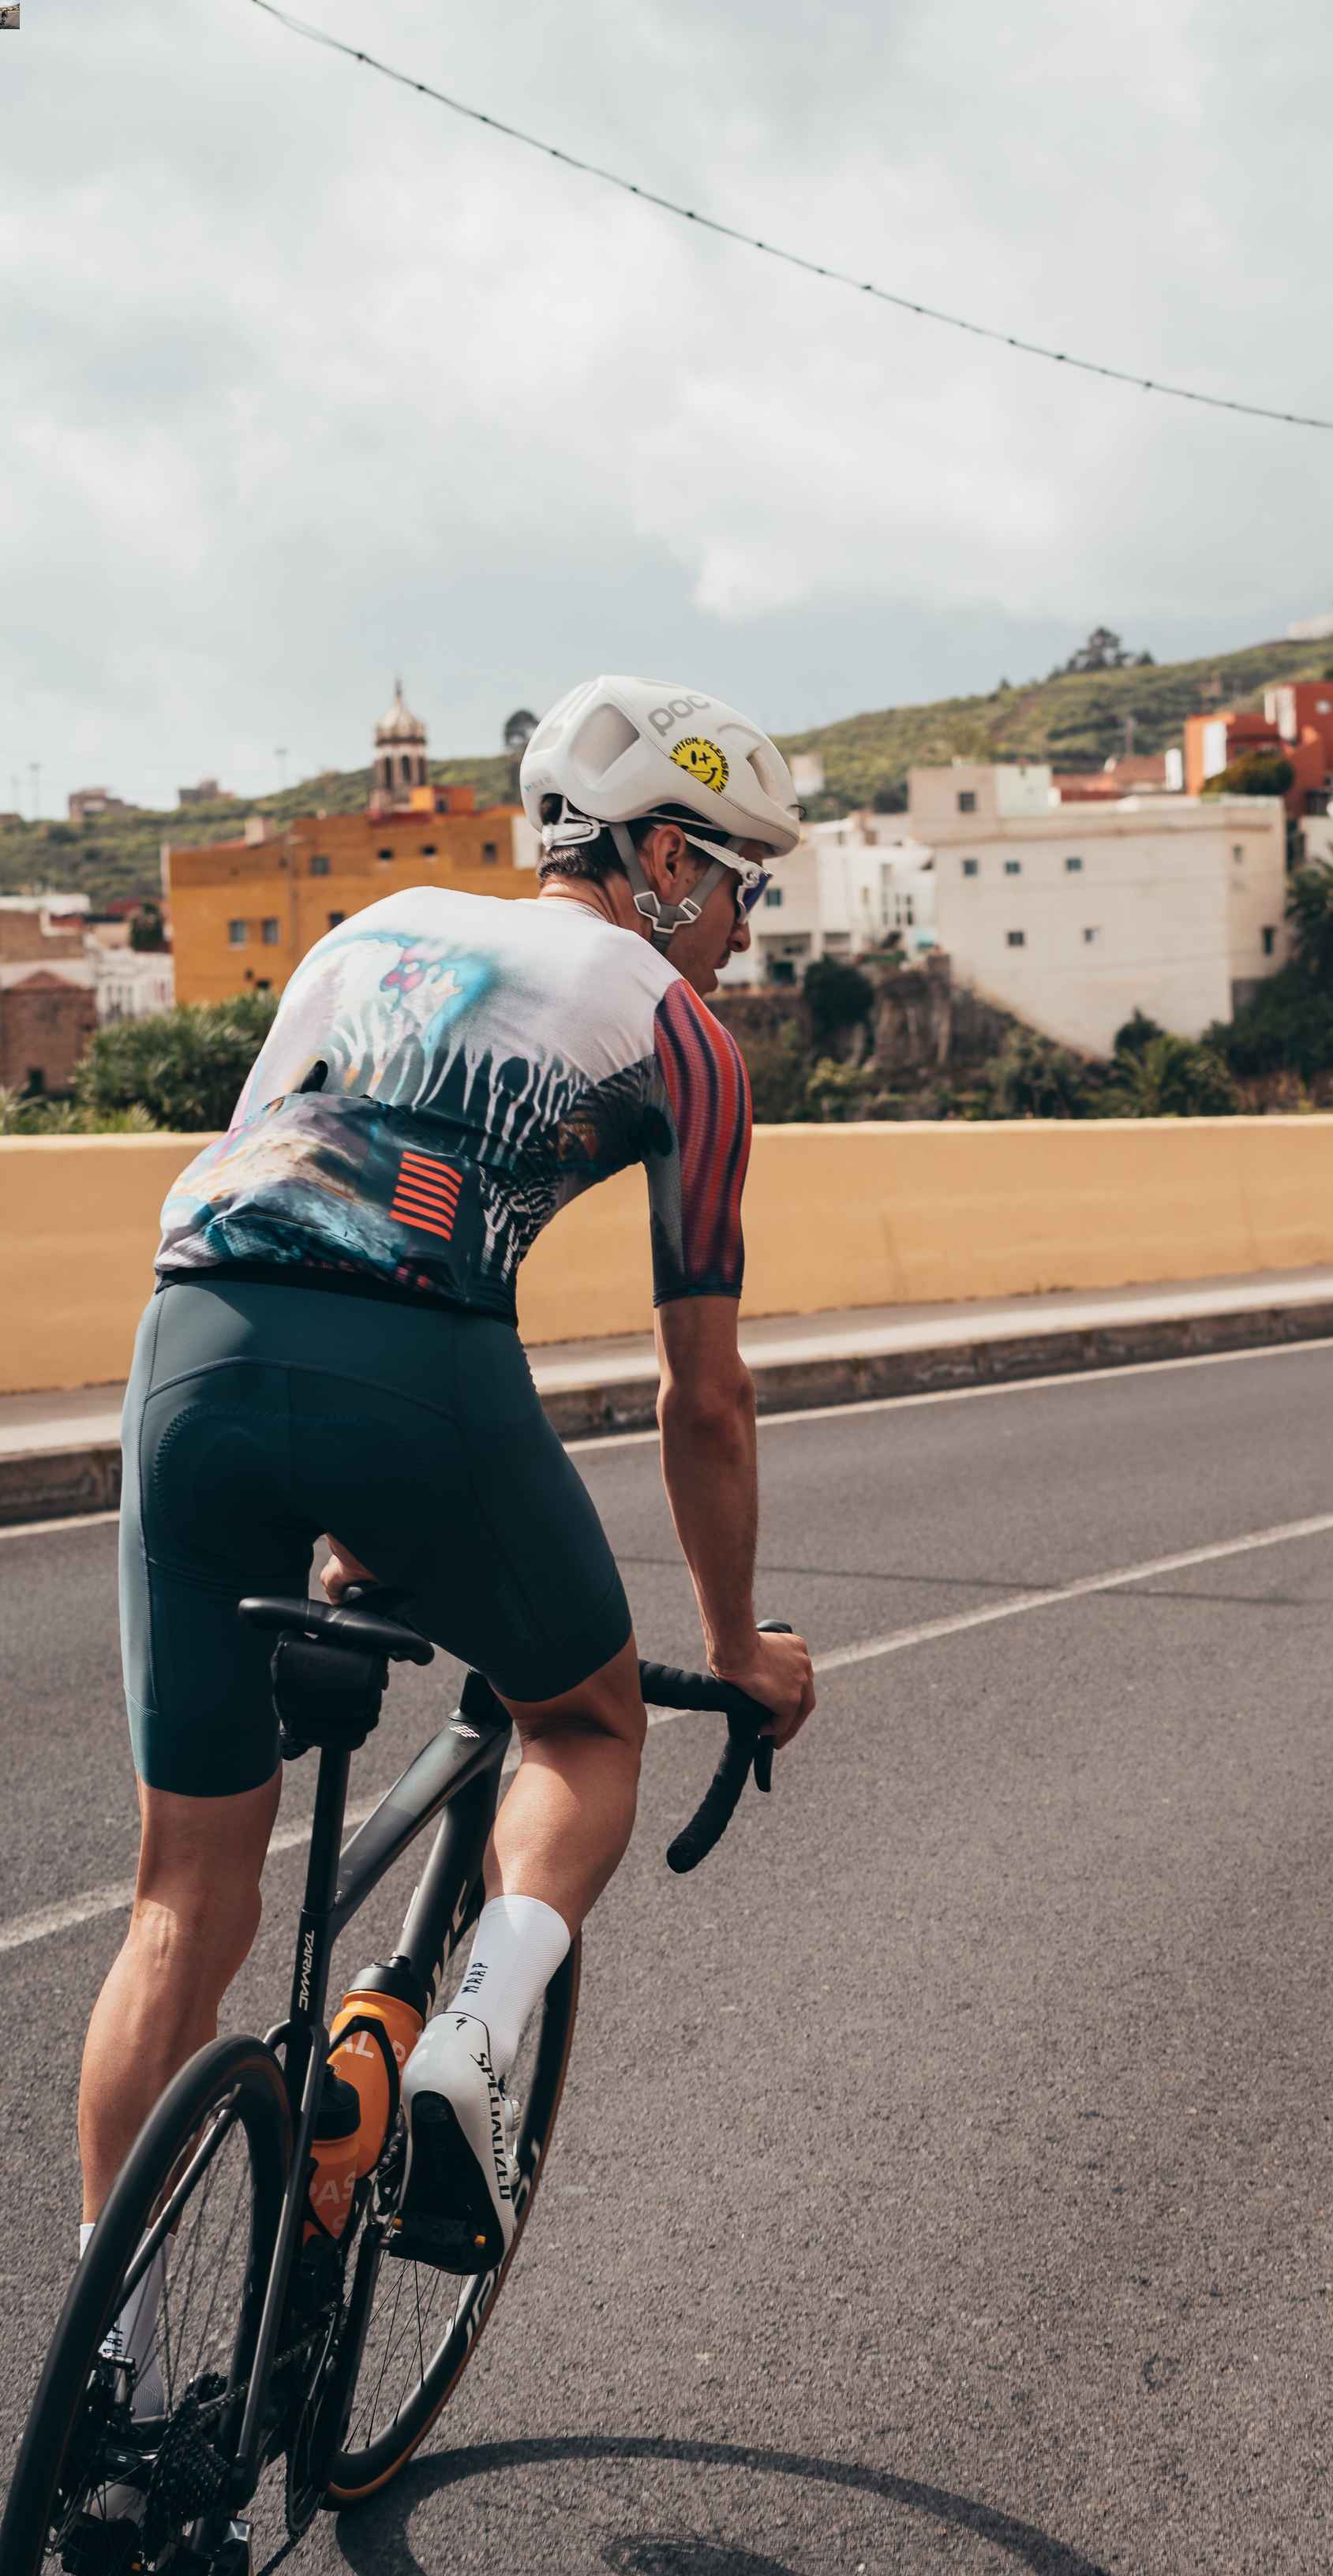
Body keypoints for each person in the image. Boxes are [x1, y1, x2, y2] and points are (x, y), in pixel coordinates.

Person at [82, 675, 817, 2341]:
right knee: (585, 1721)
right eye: (740, 884)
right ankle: (474, 2040)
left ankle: (109, 2386)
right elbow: (701, 1392)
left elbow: (274, 1166)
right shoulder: (687, 1041)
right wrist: (733, 1644)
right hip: (417, 1363)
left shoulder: (368, 932)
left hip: (189, 1345)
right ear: (659, 854)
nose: (744, 934)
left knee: (178, 1899)